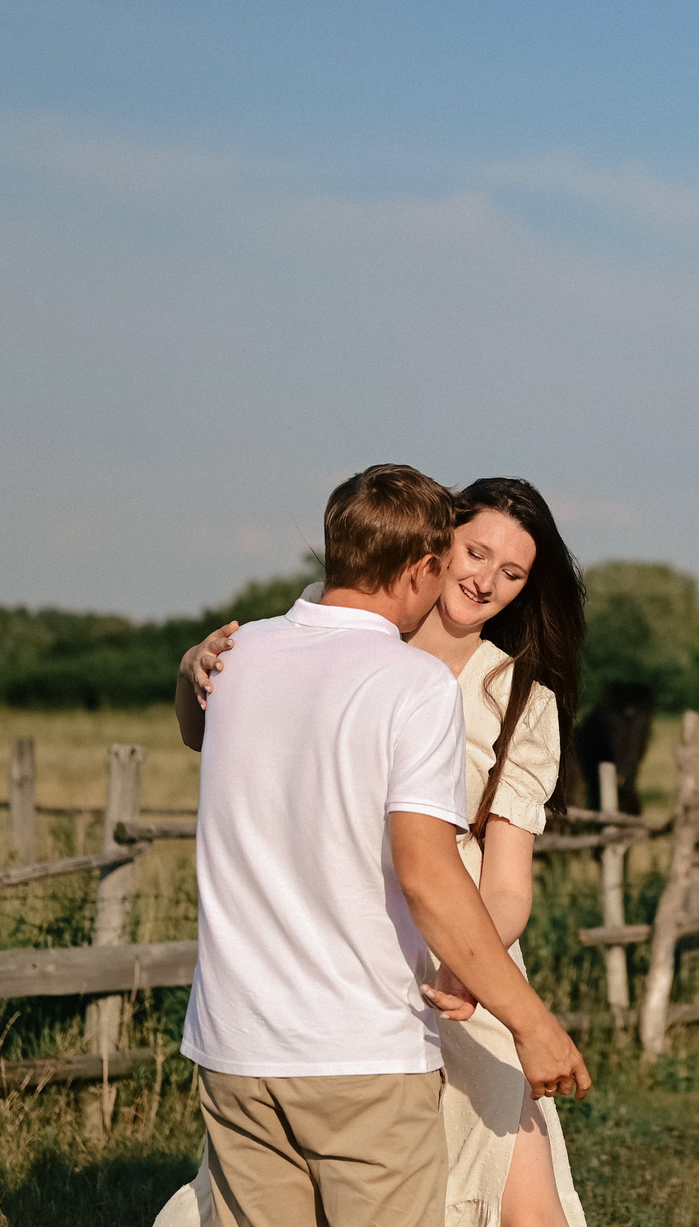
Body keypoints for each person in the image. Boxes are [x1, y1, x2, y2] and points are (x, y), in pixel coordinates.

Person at [166, 475, 589, 1227]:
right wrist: (191, 670)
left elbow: (507, 882)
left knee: (521, 1200)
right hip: (346, 968)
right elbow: (216, 729)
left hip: (466, 965)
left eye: (513, 573)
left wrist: (475, 970)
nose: (485, 579)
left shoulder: (517, 696)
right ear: (430, 550)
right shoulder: (321, 641)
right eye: (474, 551)